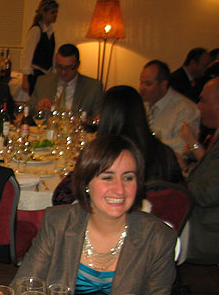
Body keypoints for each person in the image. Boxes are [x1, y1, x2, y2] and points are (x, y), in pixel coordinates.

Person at [18, 135, 177, 295]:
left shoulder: (159, 238)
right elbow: (23, 288)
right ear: (86, 183)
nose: (120, 190)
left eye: (128, 178)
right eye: (107, 177)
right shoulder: (58, 223)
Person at [53, 85, 184, 206]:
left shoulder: (101, 155)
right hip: (159, 219)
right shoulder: (164, 152)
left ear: (105, 116)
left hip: (115, 220)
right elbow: (182, 196)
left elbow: (60, 198)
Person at [178, 77, 219, 264]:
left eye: (203, 101)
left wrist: (183, 178)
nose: (199, 106)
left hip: (206, 230)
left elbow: (206, 194)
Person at [139, 60, 200, 155]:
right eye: (141, 83)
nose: (141, 88)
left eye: (148, 84)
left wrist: (149, 143)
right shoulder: (143, 105)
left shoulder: (186, 109)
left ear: (163, 85)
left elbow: (183, 148)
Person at [29, 44, 103, 118]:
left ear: (77, 65)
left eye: (68, 67)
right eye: (59, 66)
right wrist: (38, 108)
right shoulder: (43, 82)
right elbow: (29, 111)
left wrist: (80, 121)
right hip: (46, 125)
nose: (63, 72)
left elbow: (98, 119)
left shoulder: (93, 88)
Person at [21, 0, 58, 96]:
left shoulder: (50, 31)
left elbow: (52, 56)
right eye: (52, 12)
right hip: (35, 75)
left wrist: (54, 74)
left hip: (46, 75)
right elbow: (28, 54)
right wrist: (25, 78)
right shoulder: (36, 30)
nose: (55, 15)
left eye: (56, 12)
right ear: (44, 13)